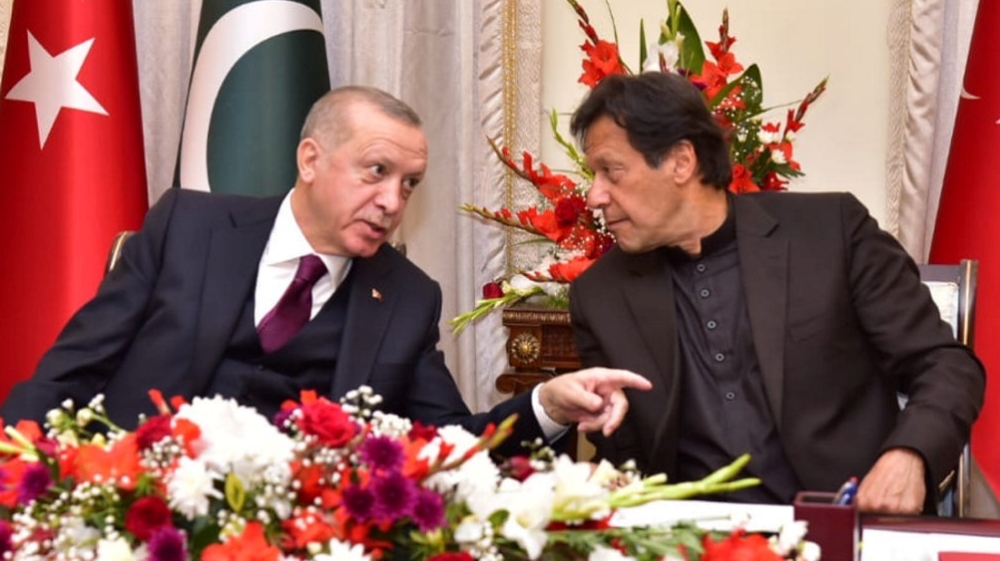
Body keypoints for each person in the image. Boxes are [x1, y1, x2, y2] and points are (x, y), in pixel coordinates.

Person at [0, 85, 651, 457]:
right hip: (143, 510)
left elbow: (446, 441)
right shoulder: (187, 228)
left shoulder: (407, 296)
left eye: (410, 184)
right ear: (311, 159)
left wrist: (546, 403)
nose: (394, 202)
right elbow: (69, 372)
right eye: (376, 172)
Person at [566, 71, 984, 514]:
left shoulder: (830, 232)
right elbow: (623, 457)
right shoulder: (600, 296)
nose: (595, 196)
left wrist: (910, 456)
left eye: (611, 172)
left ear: (681, 162)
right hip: (698, 542)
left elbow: (946, 366)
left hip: (845, 530)